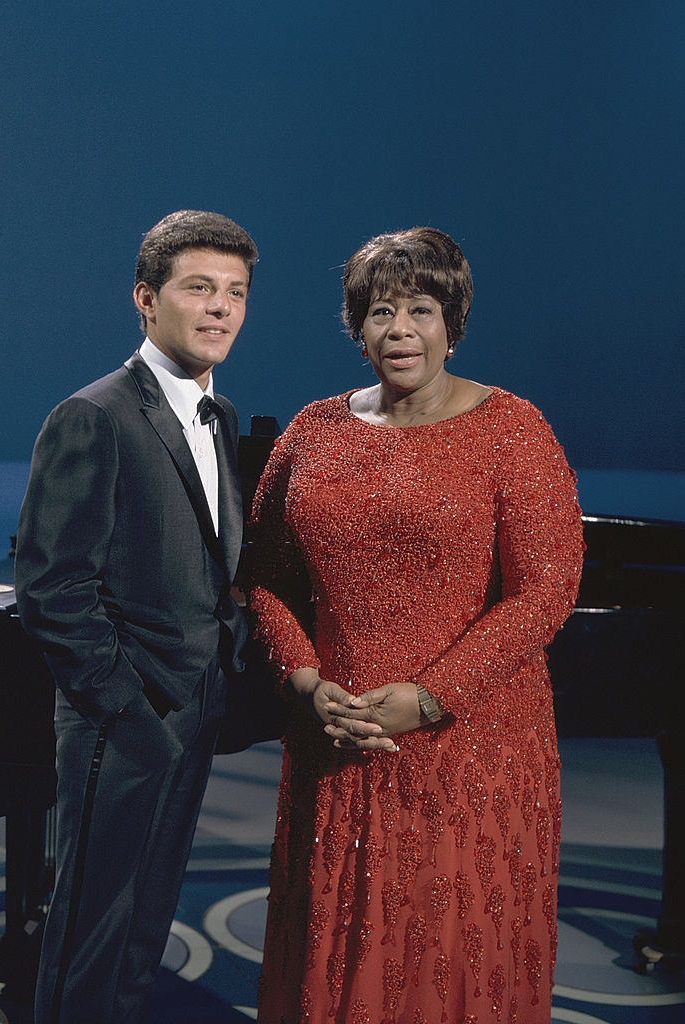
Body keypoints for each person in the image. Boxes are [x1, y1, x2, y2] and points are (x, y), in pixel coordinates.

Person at [248, 228, 585, 1023]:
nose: (400, 329)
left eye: (420, 310)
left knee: (451, 950)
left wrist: (432, 696)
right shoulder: (312, 430)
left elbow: (547, 590)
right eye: (380, 311)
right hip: (336, 737)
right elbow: (263, 579)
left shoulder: (514, 428)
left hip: (470, 743)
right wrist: (304, 683)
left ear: (452, 322)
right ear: (357, 328)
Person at [15, 210, 258, 1024]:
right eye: (200, 289)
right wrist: (127, 714)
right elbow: (52, 588)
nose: (220, 308)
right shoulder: (94, 414)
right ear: (146, 300)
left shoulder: (218, 418)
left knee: (142, 931)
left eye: (235, 293)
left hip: (194, 712)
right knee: (88, 937)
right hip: (122, 724)